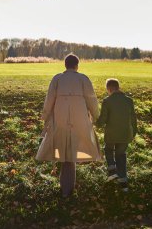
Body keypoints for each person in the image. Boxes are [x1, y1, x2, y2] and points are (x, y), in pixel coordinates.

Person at [36, 54, 101, 197]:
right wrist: (97, 117)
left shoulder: (57, 79)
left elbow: (49, 100)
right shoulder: (83, 79)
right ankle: (68, 189)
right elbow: (92, 100)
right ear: (77, 65)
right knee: (70, 155)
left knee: (64, 153)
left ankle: (66, 189)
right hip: (79, 122)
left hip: (60, 120)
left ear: (65, 65)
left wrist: (45, 116)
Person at [96, 78, 137, 192]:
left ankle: (112, 171)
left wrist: (96, 123)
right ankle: (123, 183)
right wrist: (133, 133)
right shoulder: (129, 100)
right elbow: (133, 119)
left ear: (109, 89)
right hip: (126, 134)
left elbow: (103, 119)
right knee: (121, 155)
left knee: (108, 149)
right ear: (118, 87)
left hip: (111, 133)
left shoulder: (107, 101)